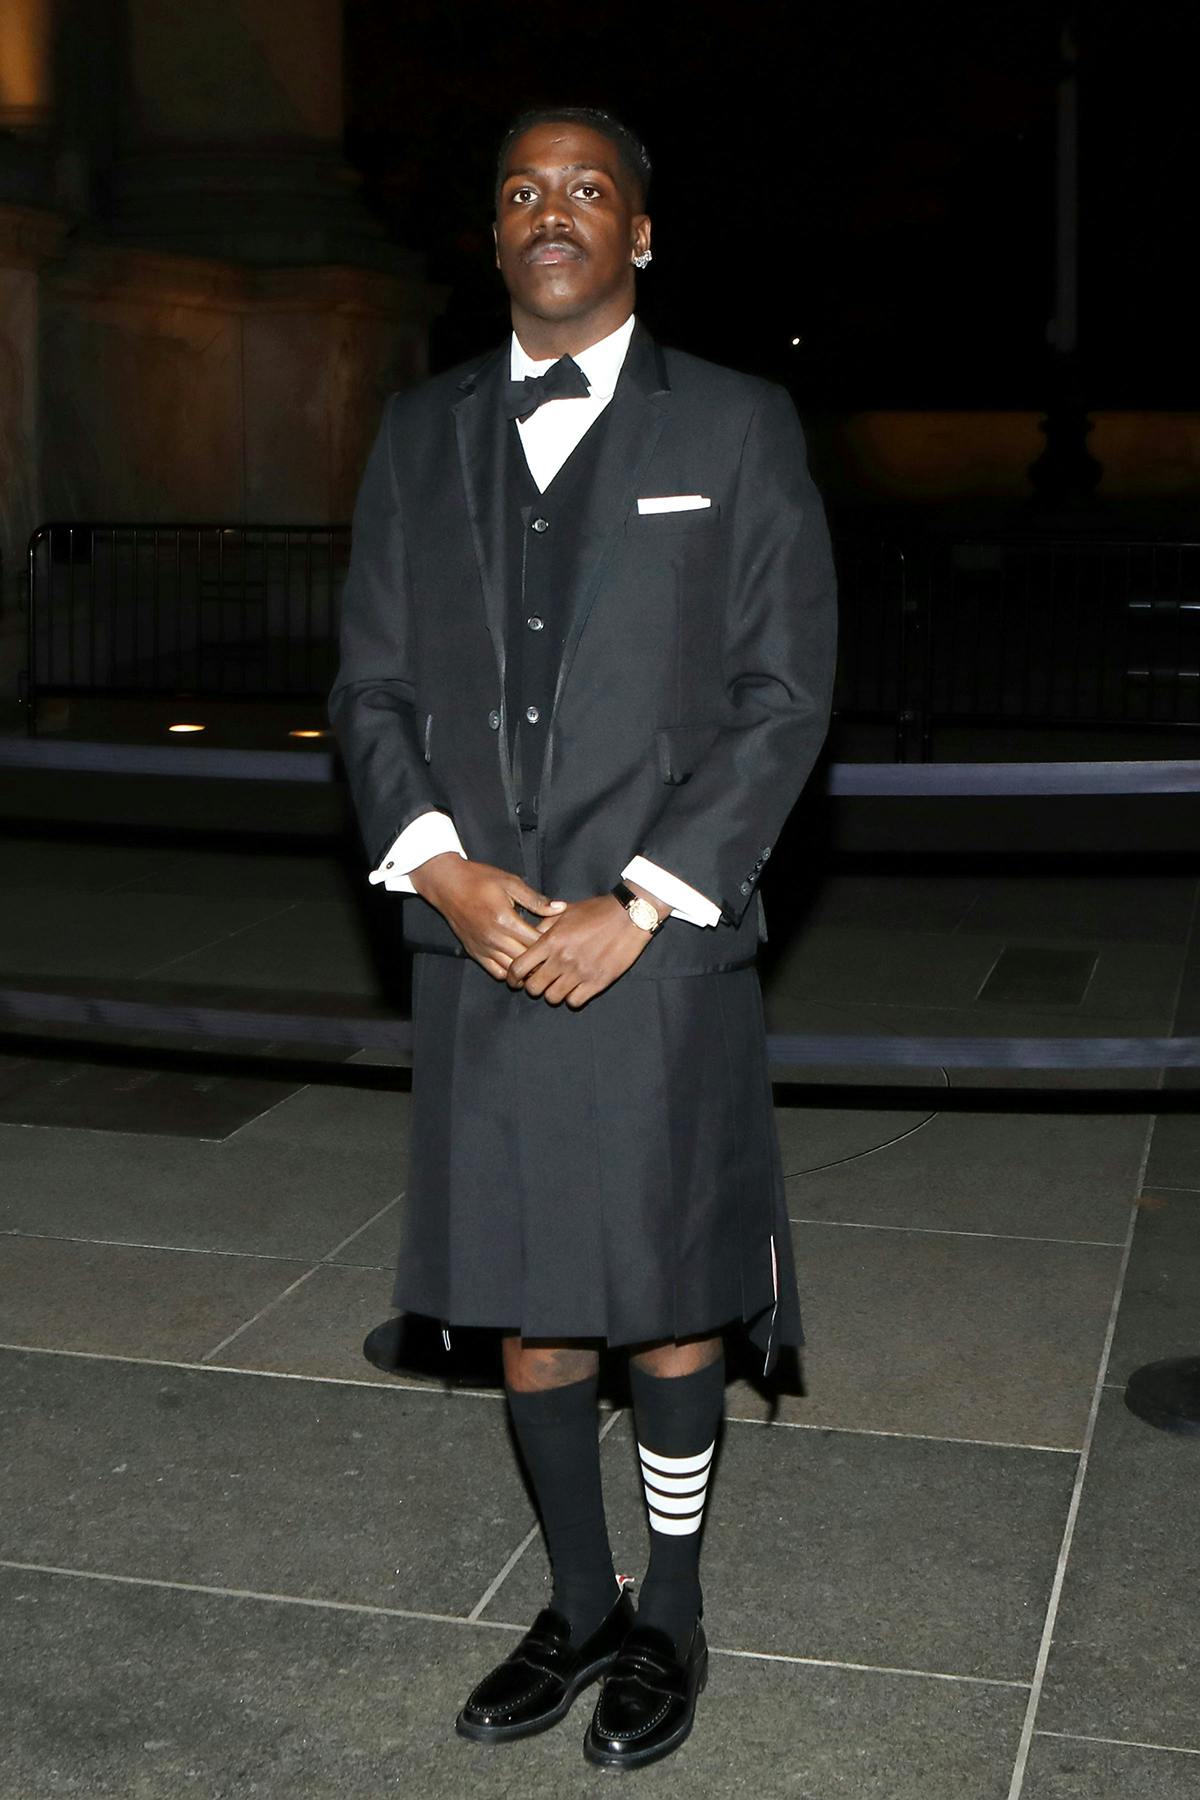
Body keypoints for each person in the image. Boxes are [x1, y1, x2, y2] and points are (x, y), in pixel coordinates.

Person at [329, 103, 836, 1771]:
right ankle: (576, 1598)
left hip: (660, 950)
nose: (555, 210)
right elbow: (375, 687)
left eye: (590, 189)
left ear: (639, 235)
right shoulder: (417, 434)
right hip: (475, 941)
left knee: (674, 1293)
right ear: (491, 240)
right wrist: (443, 870)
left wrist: (646, 900)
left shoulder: (744, 426)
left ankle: (672, 1610)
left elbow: (780, 698)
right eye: (522, 192)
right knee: (531, 1302)